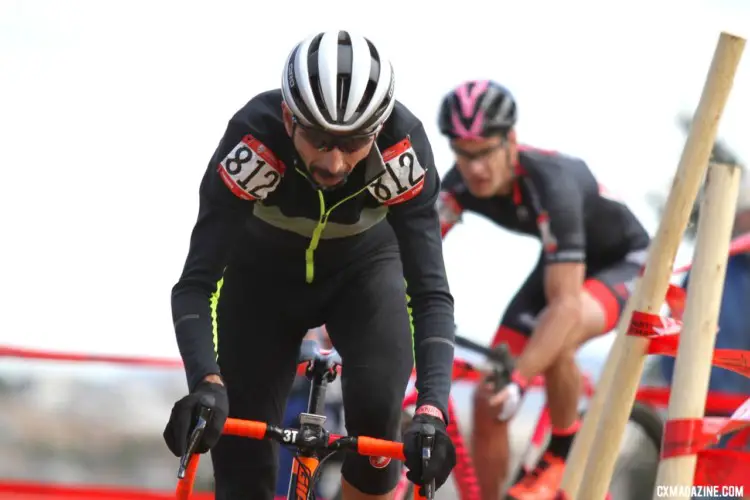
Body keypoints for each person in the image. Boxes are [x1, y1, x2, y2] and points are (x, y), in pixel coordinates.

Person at [163, 31, 457, 500]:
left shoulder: (405, 151)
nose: (335, 161)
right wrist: (206, 380)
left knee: (380, 431)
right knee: (241, 466)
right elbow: (196, 282)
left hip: (363, 277)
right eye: (320, 139)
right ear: (287, 116)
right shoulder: (253, 140)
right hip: (261, 283)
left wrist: (433, 409)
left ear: (378, 129)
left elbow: (429, 292)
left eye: (355, 141)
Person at [435, 80, 651, 500]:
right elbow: (416, 253)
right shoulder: (457, 184)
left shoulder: (553, 182)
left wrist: (520, 378)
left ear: (510, 141)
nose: (474, 167)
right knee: (487, 399)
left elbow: (567, 306)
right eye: (462, 153)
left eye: (484, 152)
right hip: (562, 263)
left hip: (624, 261)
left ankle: (562, 452)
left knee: (556, 340)